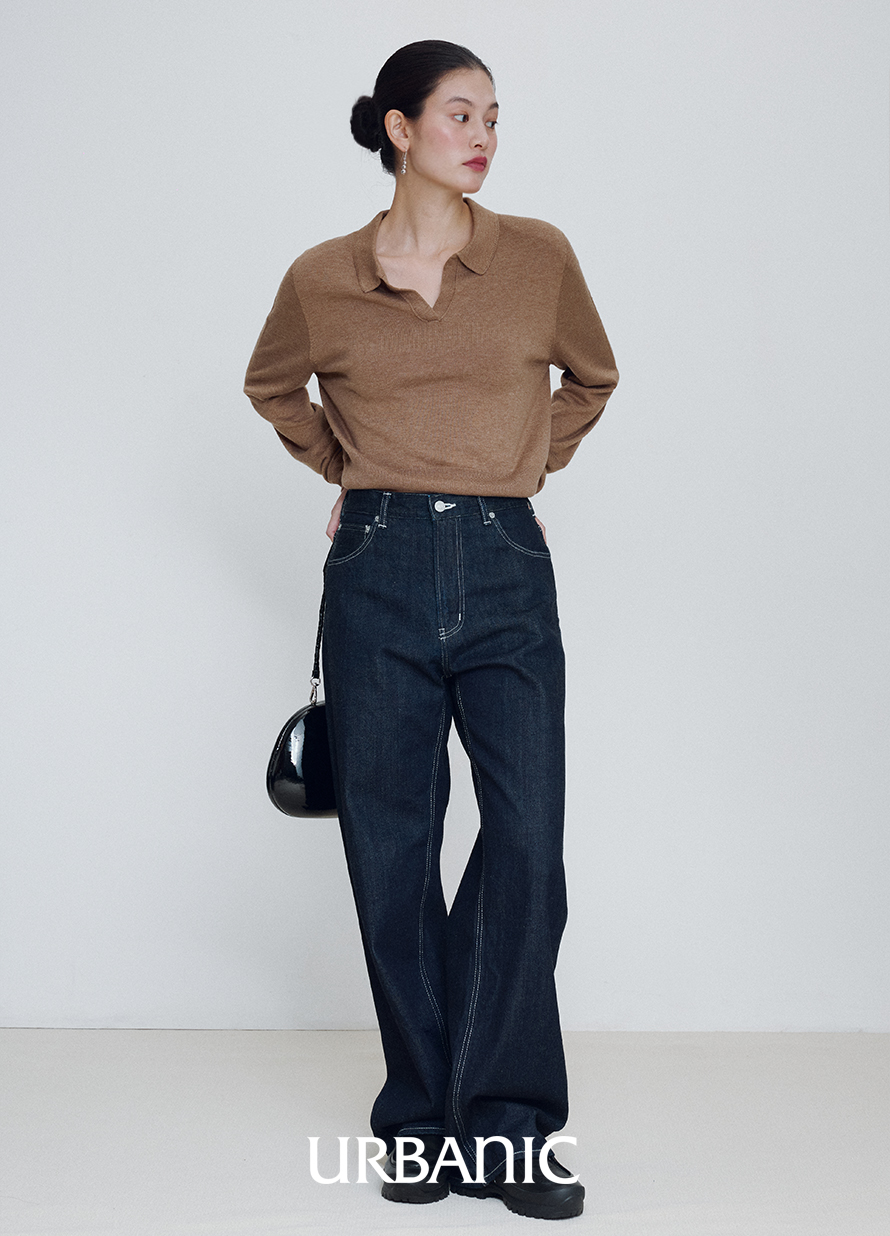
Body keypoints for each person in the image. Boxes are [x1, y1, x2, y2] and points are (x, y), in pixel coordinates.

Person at [244, 40, 618, 1221]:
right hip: (378, 567)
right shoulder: (322, 278)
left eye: (493, 117)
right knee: (391, 852)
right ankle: (420, 1121)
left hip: (506, 564)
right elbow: (270, 386)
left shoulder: (536, 257)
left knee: (526, 841)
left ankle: (505, 1122)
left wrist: (517, 467)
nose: (484, 136)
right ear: (399, 129)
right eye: (460, 114)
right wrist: (347, 470)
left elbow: (592, 379)